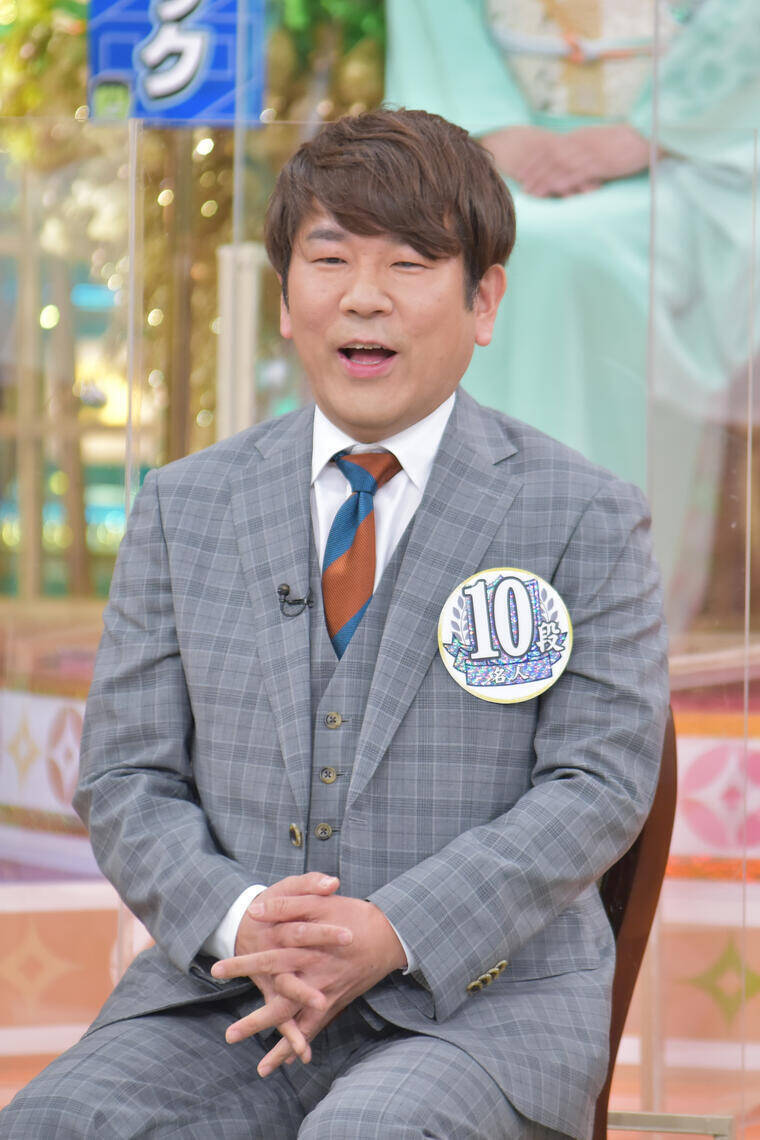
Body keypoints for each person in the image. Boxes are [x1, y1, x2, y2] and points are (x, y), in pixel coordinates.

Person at [0, 108, 668, 1140]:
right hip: (228, 997)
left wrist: (391, 931)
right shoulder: (184, 506)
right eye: (329, 258)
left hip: (482, 1013)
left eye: (410, 263)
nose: (364, 295)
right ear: (284, 299)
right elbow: (126, 776)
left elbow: (598, 783)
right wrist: (244, 922)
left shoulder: (582, 515)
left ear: (484, 300)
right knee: (56, 1120)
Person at [385, 0, 760, 631]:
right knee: (459, 246)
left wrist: (646, 133)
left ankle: (590, 606)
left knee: (567, 254)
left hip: (690, 156)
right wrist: (496, 132)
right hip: (490, 156)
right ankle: (463, 605)